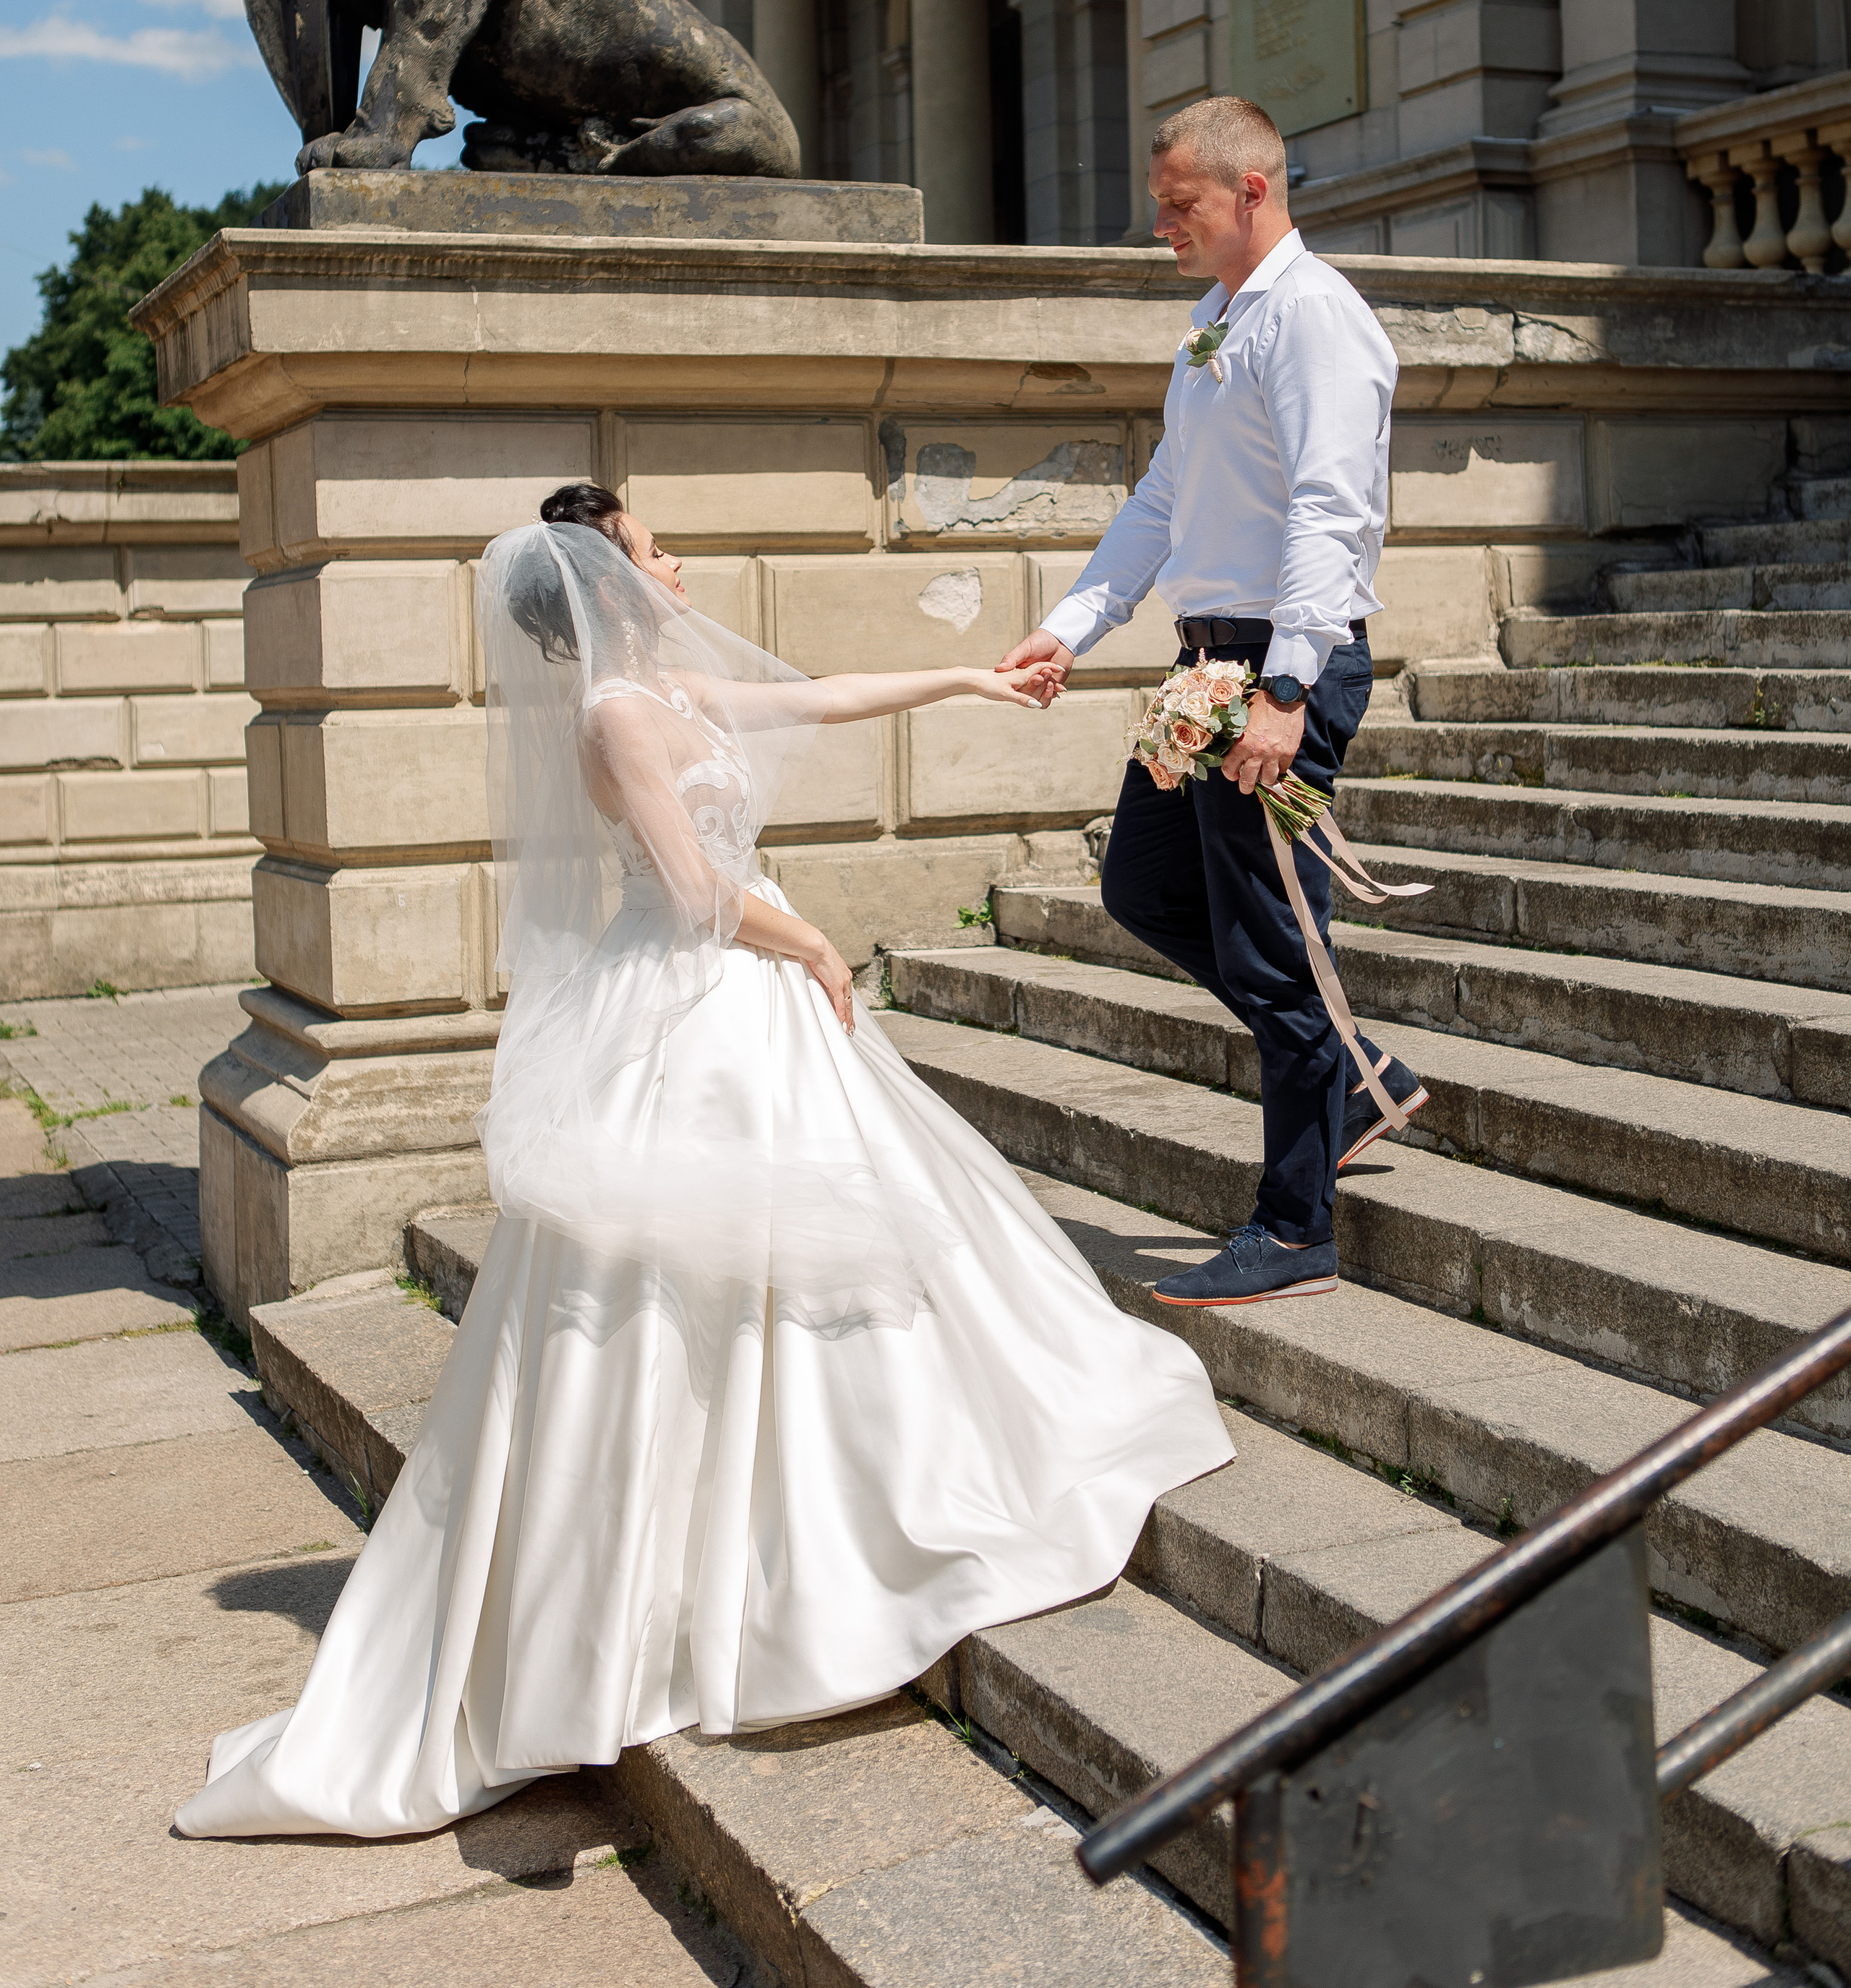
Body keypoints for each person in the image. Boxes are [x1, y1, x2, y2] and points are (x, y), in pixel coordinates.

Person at [175, 484, 1231, 1842]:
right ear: (610, 581)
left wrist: (973, 675)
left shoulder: (673, 684)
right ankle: (665, 1608)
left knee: (826, 1251)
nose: (675, 560)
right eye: (653, 546)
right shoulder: (615, 719)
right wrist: (816, 945)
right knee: (683, 1293)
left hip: (752, 993)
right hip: (700, 1002)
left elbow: (832, 696)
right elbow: (693, 899)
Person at [998, 96, 1425, 1309]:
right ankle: (1349, 1074)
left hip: (1279, 666)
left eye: (1178, 204)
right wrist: (1071, 625)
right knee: (1142, 885)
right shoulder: (1212, 320)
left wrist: (1288, 685)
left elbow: (1331, 511)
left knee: (1274, 948)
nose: (1160, 227)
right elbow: (1164, 499)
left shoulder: (1317, 318)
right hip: (1206, 662)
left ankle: (1296, 1228)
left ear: (1252, 191)